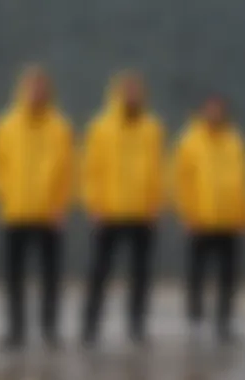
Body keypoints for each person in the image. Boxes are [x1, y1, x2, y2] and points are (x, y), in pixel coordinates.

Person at [0, 65, 74, 350]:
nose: (37, 93)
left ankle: (49, 329)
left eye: (42, 88)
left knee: (51, 275)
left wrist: (61, 204)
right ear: (23, 90)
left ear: (48, 92)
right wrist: (6, 195)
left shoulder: (60, 127)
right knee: (14, 276)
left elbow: (69, 169)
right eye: (32, 88)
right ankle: (15, 329)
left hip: (50, 214)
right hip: (16, 211)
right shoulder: (5, 126)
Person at [81, 71, 165, 345]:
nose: (131, 96)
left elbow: (159, 169)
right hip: (109, 212)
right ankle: (90, 326)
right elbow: (91, 168)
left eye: (135, 91)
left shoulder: (152, 128)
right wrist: (94, 204)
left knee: (141, 275)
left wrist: (156, 202)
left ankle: (137, 326)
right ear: (117, 93)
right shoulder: (101, 127)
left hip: (142, 211)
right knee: (99, 273)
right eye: (126, 91)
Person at [171, 96, 245, 343]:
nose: (215, 113)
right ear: (202, 112)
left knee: (228, 275)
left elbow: (243, 180)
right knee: (197, 272)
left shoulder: (235, 141)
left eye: (219, 109)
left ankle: (224, 321)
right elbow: (181, 180)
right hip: (201, 218)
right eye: (210, 109)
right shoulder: (190, 141)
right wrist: (187, 213)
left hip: (229, 220)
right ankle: (195, 318)